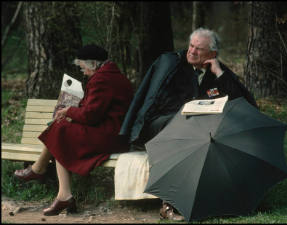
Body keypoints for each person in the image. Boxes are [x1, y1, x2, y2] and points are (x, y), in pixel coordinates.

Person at [119, 28, 258, 221]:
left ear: (212, 54)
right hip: (159, 125)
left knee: (210, 140)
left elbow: (244, 104)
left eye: (199, 49)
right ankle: (169, 202)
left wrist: (219, 73)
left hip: (198, 130)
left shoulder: (218, 71)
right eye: (191, 45)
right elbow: (152, 102)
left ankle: (215, 199)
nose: (191, 51)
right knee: (185, 133)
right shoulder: (171, 64)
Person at [14, 44, 134, 216]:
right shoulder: (111, 75)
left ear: (93, 63)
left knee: (60, 130)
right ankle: (61, 192)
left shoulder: (102, 79)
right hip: (113, 133)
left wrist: (68, 111)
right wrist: (72, 111)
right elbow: (96, 109)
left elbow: (91, 115)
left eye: (83, 67)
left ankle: (41, 171)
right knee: (60, 131)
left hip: (109, 137)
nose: (83, 72)